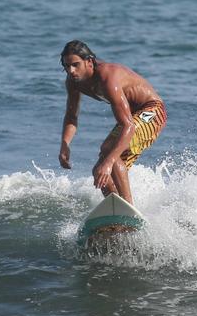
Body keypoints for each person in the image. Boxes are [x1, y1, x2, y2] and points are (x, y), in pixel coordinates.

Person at [58, 40, 166, 205]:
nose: (70, 71)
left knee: (108, 153)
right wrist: (65, 144)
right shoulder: (73, 82)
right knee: (99, 172)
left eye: (75, 65)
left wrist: (108, 163)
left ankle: (129, 207)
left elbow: (128, 126)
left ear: (89, 62)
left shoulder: (108, 77)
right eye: (66, 66)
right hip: (131, 117)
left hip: (152, 112)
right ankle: (118, 214)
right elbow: (71, 116)